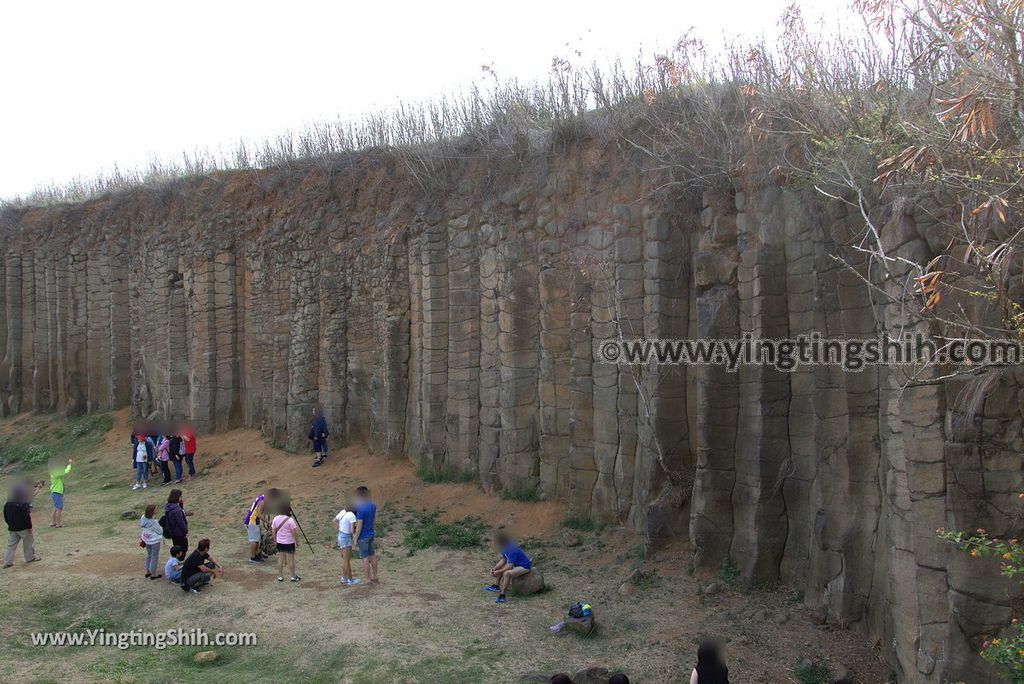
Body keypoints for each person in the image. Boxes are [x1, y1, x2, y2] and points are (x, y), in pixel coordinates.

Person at [3, 481, 43, 567]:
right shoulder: (23, 504)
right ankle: (30, 557)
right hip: (24, 528)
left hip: (12, 529)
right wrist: (30, 527)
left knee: (11, 545)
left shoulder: (8, 503)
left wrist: (10, 525)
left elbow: (5, 516)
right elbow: (26, 517)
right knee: (28, 543)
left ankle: (7, 561)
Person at [486, 530, 532, 604]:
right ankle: (496, 586)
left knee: (507, 573)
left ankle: (502, 596)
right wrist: (495, 568)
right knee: (501, 568)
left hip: (524, 566)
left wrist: (498, 572)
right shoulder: (505, 546)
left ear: (500, 541)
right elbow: (503, 560)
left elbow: (510, 566)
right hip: (516, 564)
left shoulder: (511, 549)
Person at [353, 486, 378, 584]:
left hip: (363, 536)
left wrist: (355, 539)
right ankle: (375, 576)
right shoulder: (373, 505)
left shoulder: (361, 509)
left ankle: (367, 579)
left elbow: (359, 526)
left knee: (365, 557)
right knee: (372, 555)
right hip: (371, 533)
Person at [272, 508, 300, 582]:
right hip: (289, 542)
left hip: (279, 542)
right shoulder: (290, 520)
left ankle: (280, 576)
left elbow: (273, 531)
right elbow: (294, 532)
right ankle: (293, 576)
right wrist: (296, 541)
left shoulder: (275, 519)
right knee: (291, 559)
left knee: (280, 559)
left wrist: (274, 540)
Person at [334, 503, 359, 585]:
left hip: (340, 535)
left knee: (346, 559)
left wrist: (341, 526)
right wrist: (356, 530)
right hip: (346, 537)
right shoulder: (352, 516)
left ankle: (344, 578)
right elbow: (352, 531)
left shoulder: (343, 512)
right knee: (347, 560)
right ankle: (350, 580)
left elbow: (335, 520)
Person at [140, 503, 163, 579]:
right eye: (155, 509)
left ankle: (148, 571)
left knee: (149, 555)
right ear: (152, 512)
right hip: (154, 541)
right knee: (154, 557)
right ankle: (153, 574)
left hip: (146, 539)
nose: (156, 510)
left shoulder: (143, 517)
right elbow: (160, 531)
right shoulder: (153, 522)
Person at [48, 457, 72, 528]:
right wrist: (69, 464)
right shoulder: (55, 472)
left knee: (55, 507)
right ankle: (58, 524)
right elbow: (65, 471)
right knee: (59, 508)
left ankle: (53, 522)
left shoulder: (53, 472)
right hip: (57, 493)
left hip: (55, 492)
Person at [164, 489, 189, 553]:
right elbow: (181, 521)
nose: (181, 498)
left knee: (176, 548)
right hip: (179, 532)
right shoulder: (176, 510)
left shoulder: (168, 506)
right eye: (181, 496)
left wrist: (181, 505)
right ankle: (179, 562)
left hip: (173, 531)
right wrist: (186, 531)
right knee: (183, 549)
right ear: (177, 497)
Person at [244, 491, 266, 563]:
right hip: (252, 521)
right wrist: (268, 522)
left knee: (257, 539)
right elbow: (259, 515)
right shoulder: (262, 502)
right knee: (254, 540)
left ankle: (256, 555)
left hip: (252, 521)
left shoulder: (261, 497)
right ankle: (253, 557)